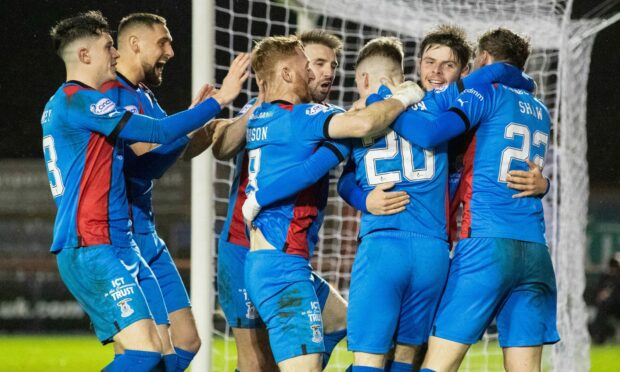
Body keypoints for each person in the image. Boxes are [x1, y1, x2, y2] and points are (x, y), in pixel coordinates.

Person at [42, 10, 248, 370]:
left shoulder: (82, 101)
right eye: (109, 47)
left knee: (165, 355)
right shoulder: (84, 100)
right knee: (144, 354)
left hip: (119, 240)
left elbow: (155, 155)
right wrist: (218, 101)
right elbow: (157, 135)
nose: (116, 54)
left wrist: (197, 119)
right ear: (86, 55)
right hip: (91, 241)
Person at [381, 28, 559, 372]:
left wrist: (387, 108)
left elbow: (431, 133)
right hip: (535, 250)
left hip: (487, 245)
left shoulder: (486, 92)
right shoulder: (539, 109)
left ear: (483, 60)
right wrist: (545, 184)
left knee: (436, 364)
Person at [242, 35, 423, 372]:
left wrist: (340, 144)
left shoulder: (261, 117)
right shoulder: (302, 117)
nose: (313, 71)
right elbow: (365, 124)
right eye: (305, 64)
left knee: (340, 320)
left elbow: (309, 167)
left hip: (268, 260)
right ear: (285, 72)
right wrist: (404, 95)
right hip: (282, 266)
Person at [212, 30, 349, 371]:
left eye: (332, 65)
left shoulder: (323, 117)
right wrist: (263, 104)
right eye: (314, 64)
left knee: (336, 322)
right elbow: (222, 146)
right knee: (256, 361)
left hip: (289, 251)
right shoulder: (266, 110)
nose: (324, 73)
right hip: (246, 245)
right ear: (292, 70)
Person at [99, 13, 214, 371]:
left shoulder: (143, 95)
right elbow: (147, 161)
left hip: (145, 233)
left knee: (186, 341)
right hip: (118, 236)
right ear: (134, 44)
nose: (171, 51)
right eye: (163, 42)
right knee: (146, 352)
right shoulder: (109, 91)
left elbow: (171, 151)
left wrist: (208, 127)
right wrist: (200, 116)